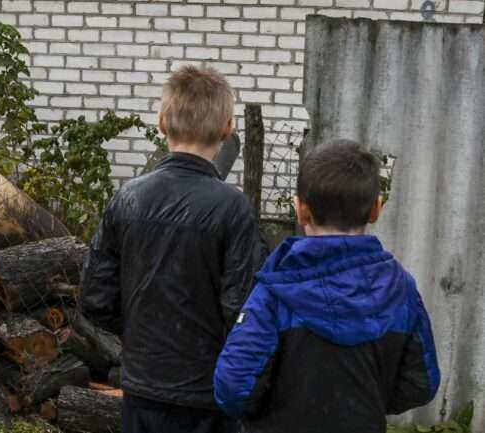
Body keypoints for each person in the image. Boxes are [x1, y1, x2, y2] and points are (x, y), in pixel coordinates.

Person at [79, 64, 264, 433]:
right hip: (209, 394)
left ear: (162, 122)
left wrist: (142, 330)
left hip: (143, 388)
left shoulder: (128, 199)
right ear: (228, 129)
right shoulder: (233, 209)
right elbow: (242, 309)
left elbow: (95, 299)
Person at [213, 140, 440, 433]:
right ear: (376, 209)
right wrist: (369, 402)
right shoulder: (401, 291)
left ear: (301, 210)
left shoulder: (275, 292)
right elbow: (420, 383)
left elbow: (234, 388)